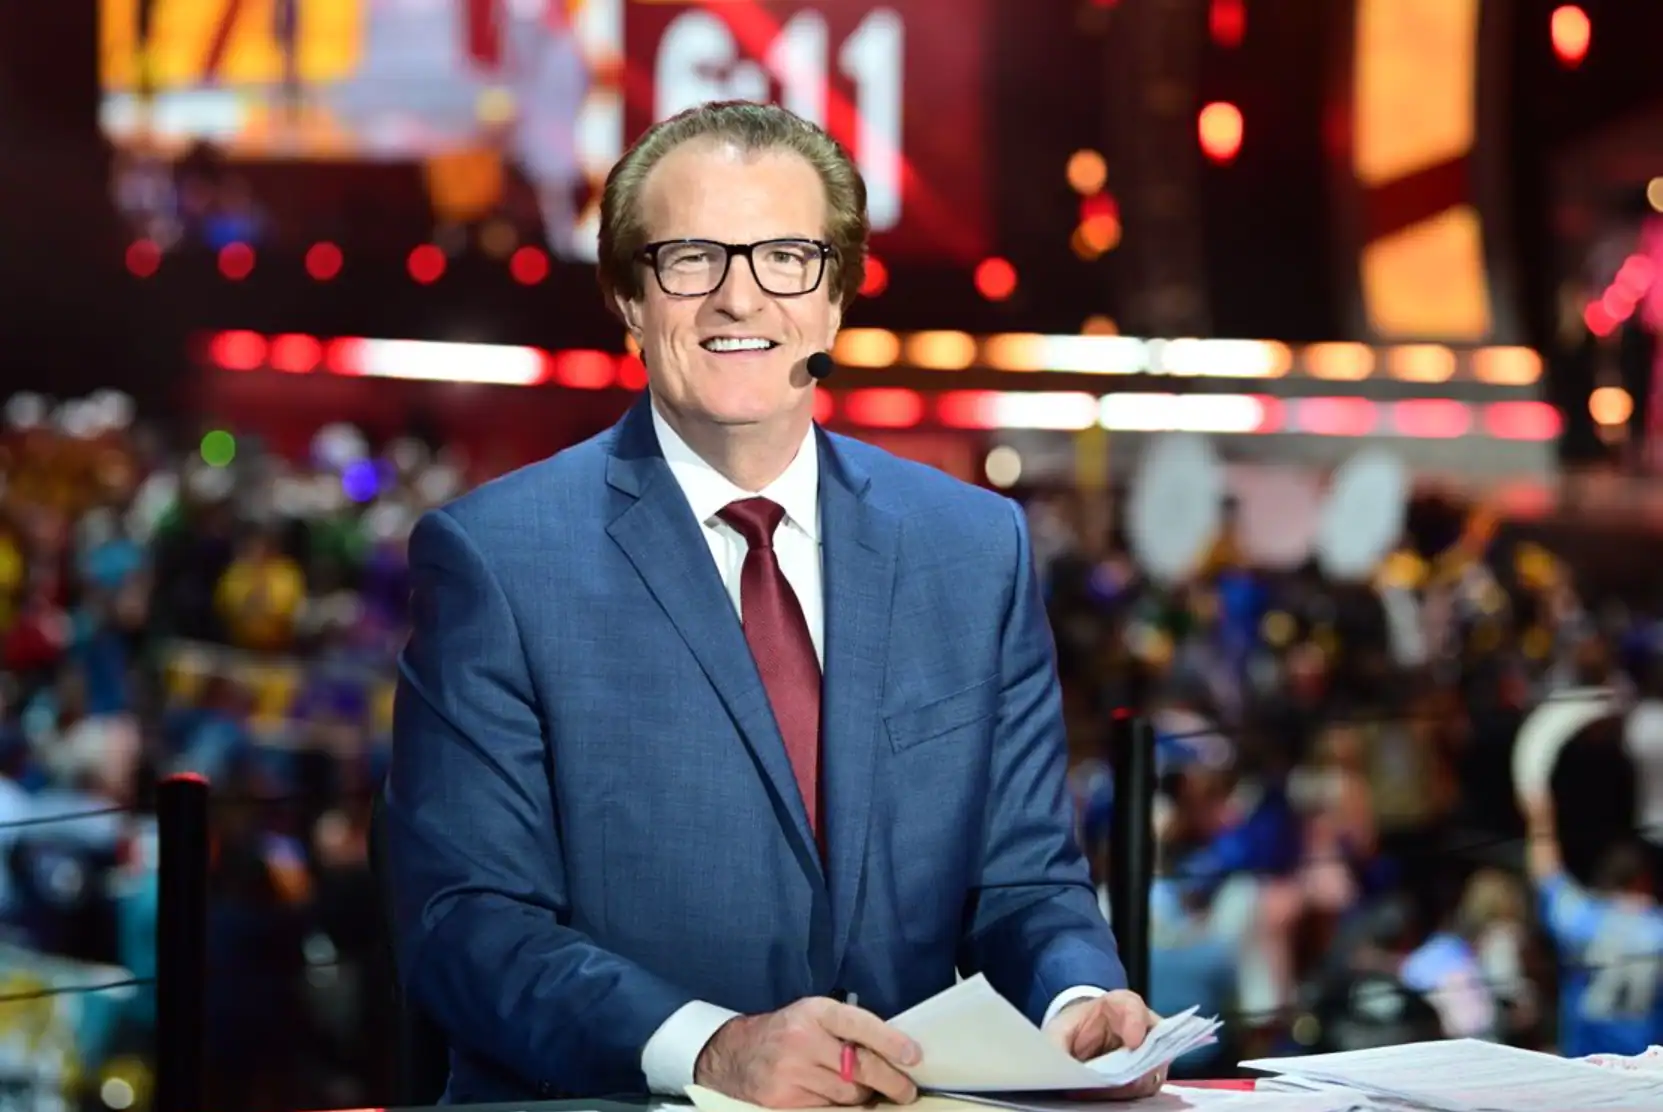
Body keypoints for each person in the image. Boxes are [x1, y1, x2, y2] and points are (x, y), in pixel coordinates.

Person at [385, 100, 1160, 1106]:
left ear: (834, 294)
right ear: (628, 296)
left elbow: (1026, 879)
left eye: (786, 257)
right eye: (690, 259)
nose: (739, 300)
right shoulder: (495, 558)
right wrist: (712, 1048)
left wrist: (1077, 999)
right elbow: (464, 920)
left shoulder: (972, 547)